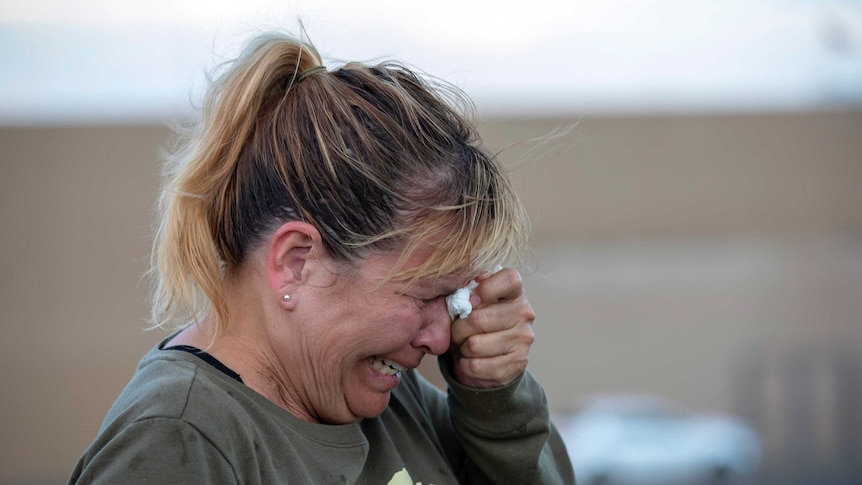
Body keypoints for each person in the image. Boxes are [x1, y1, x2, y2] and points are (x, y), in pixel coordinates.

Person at [69, 32, 575, 484]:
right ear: (296, 262)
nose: (442, 338)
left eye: (455, 299)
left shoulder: (389, 398)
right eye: (427, 294)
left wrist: (495, 396)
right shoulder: (177, 441)